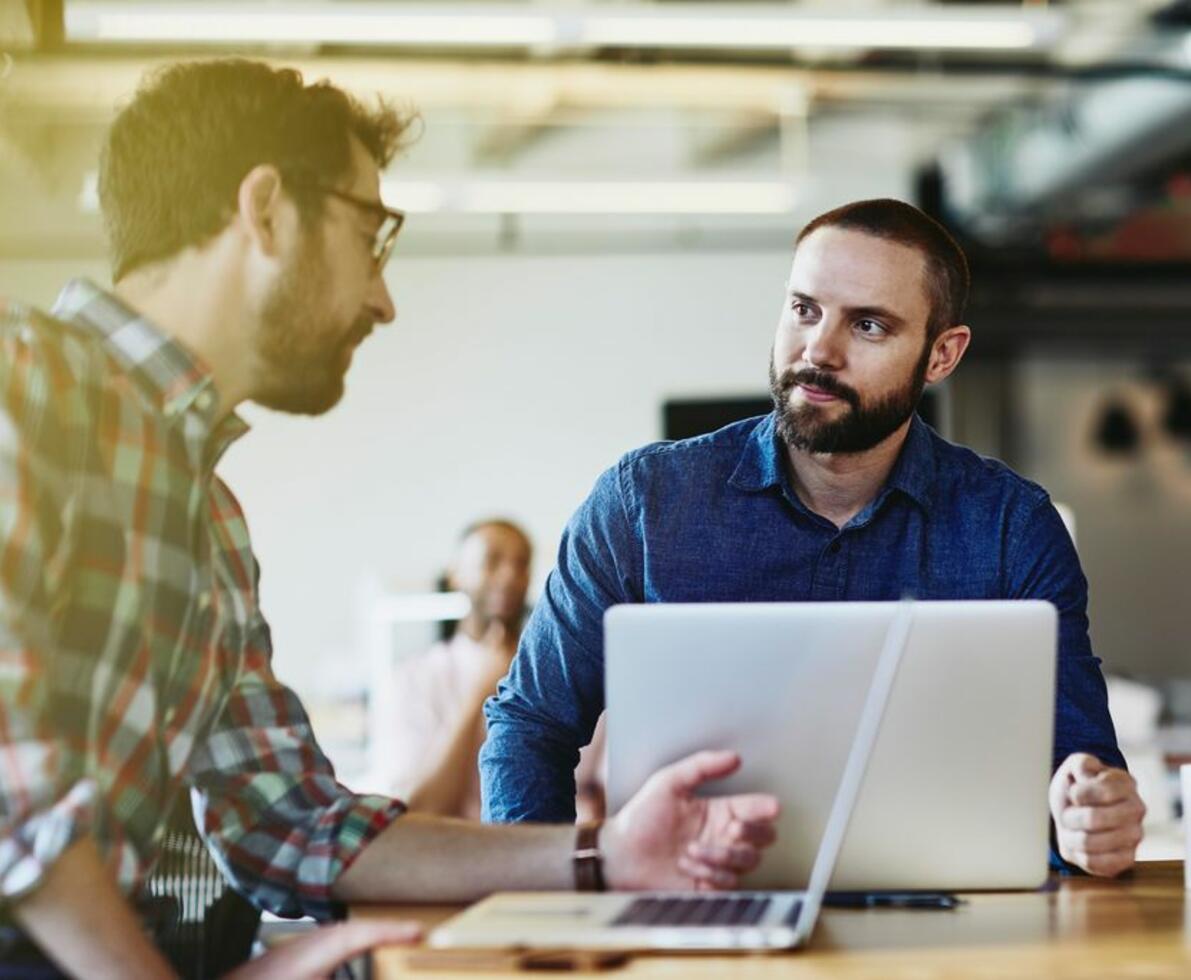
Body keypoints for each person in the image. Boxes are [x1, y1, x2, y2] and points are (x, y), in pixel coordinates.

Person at [0, 60, 781, 979]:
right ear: (264, 210)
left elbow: (290, 823)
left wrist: (603, 858)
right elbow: (15, 795)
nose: (383, 298)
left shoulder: (205, 513)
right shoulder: (25, 384)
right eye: (370, 236)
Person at [480, 198, 1146, 879]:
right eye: (803, 309)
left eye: (866, 324)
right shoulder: (645, 504)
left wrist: (1091, 819)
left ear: (941, 355)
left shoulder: (1010, 526)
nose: (818, 350)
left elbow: (1080, 768)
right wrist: (550, 893)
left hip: (946, 923)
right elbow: (528, 726)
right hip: (695, 912)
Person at [389, 519, 605, 820]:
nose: (509, 576)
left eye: (521, 564)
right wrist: (482, 688)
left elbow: (600, 789)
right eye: (492, 561)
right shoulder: (415, 678)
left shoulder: (569, 670)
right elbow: (423, 809)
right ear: (455, 575)